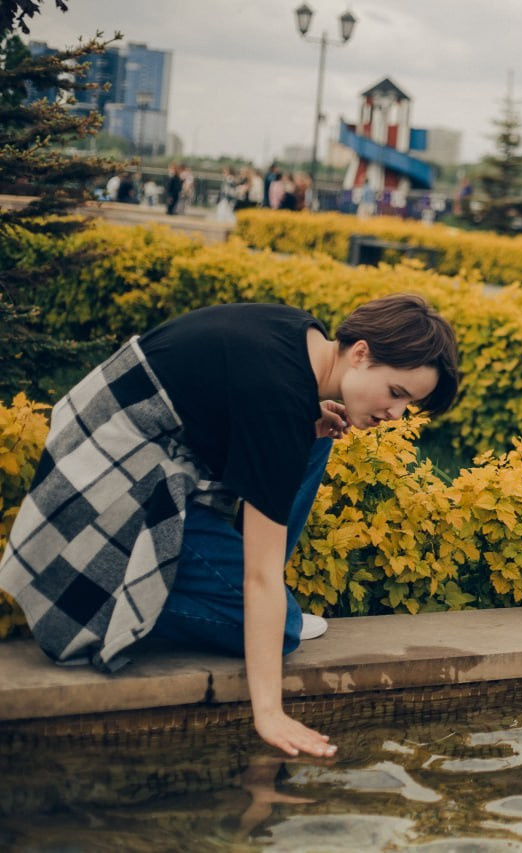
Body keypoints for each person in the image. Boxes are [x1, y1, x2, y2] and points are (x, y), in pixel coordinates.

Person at [0, 293, 459, 757]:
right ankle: (115, 597)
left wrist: (303, 422)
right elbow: (258, 577)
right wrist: (270, 713)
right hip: (96, 494)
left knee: (317, 432)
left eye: (409, 404)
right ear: (360, 353)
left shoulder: (302, 336)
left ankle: (239, 599)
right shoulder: (277, 397)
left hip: (144, 458)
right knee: (283, 630)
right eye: (397, 393)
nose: (396, 414)